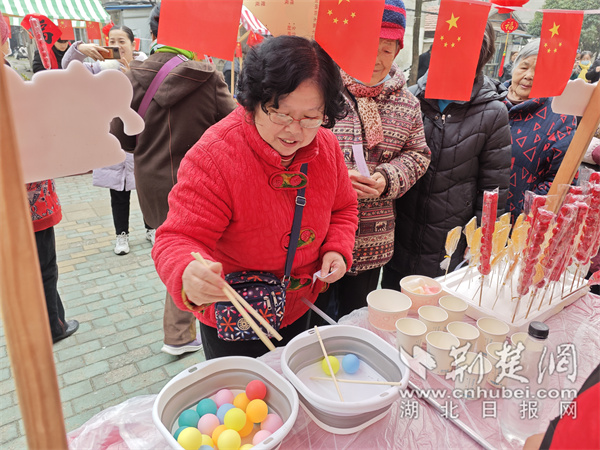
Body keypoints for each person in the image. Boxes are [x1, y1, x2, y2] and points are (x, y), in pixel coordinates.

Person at [152, 35, 359, 360]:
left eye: (310, 117)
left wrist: (337, 248)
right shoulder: (215, 155)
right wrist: (187, 274)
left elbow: (344, 208)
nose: (294, 130)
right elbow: (177, 237)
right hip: (236, 314)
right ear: (253, 101)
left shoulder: (327, 147)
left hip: (299, 306)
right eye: (280, 113)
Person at [110, 4, 236, 356]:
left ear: (153, 36)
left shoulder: (131, 75)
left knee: (176, 245)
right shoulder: (207, 77)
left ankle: (180, 331)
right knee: (194, 248)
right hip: (195, 183)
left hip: (149, 182)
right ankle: (181, 333)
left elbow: (120, 136)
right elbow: (236, 127)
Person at [312, 0, 430, 322]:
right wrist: (336, 177)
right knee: (316, 319)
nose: (376, 59)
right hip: (319, 232)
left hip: (372, 237)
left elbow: (419, 153)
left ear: (398, 50)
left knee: (356, 318)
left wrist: (387, 178)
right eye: (369, 45)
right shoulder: (322, 90)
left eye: (387, 49)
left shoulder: (407, 103)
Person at [382, 21, 512, 286]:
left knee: (436, 311)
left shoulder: (492, 112)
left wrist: (481, 242)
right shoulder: (410, 98)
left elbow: (493, 188)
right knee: (392, 304)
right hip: (399, 233)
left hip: (450, 242)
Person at [2, 12, 79, 343]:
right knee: (43, 263)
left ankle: (36, 324)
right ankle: (51, 326)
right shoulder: (7, 79)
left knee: (20, 263)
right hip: (27, 189)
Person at [62, 26, 153, 255]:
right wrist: (80, 48)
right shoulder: (97, 68)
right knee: (118, 191)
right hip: (112, 140)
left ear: (134, 44)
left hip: (142, 139)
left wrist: (133, 73)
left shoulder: (146, 66)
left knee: (146, 190)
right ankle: (121, 235)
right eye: (111, 40)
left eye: (121, 41)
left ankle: (151, 228)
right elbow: (67, 68)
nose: (116, 45)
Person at [500, 39, 577, 220]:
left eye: (539, 71)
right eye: (524, 67)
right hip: (472, 216)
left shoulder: (560, 116)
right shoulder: (488, 102)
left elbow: (561, 182)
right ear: (514, 67)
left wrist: (525, 213)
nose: (529, 75)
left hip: (519, 224)